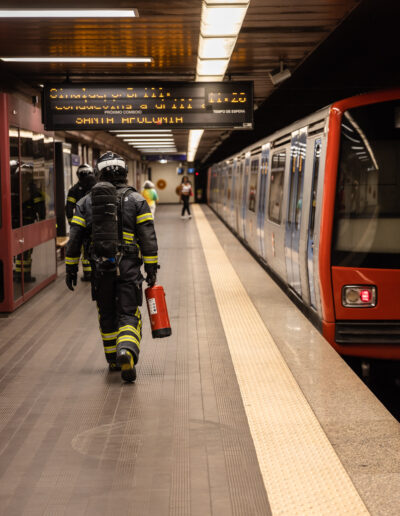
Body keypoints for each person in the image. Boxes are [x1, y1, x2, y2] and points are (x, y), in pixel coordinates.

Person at [64, 151, 159, 383]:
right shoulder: (137, 200)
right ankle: (126, 349)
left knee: (106, 313)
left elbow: (75, 237)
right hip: (127, 266)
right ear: (124, 173)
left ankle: (113, 360)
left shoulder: (86, 201)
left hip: (99, 267)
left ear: (100, 173)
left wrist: (70, 268)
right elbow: (147, 237)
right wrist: (151, 267)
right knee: (128, 312)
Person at [65, 164, 96, 281]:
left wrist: (73, 225)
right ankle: (92, 272)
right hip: (95, 224)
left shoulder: (73, 190)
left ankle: (88, 274)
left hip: (80, 224)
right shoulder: (96, 186)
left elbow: (69, 209)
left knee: (84, 246)